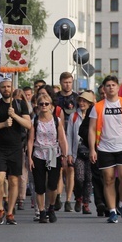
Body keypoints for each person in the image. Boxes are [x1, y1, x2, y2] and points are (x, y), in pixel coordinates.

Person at [88, 75, 122, 224]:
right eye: (108, 85)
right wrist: (92, 149)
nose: (111, 87)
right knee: (108, 179)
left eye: (113, 85)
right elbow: (92, 129)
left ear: (118, 87)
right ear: (104, 89)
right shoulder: (98, 107)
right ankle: (112, 211)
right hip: (105, 147)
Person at [0, 78, 32, 225]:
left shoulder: (20, 104)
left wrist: (15, 115)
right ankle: (0, 208)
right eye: (3, 87)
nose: (6, 89)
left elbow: (28, 124)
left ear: (12, 88)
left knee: (14, 180)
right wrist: (3, 124)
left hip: (15, 147)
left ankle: (10, 212)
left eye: (8, 86)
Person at [28, 93, 68, 223]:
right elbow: (30, 140)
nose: (44, 106)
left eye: (46, 104)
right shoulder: (35, 120)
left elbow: (62, 139)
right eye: (41, 104)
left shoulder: (57, 120)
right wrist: (29, 157)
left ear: (51, 105)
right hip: (39, 154)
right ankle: (42, 211)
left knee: (52, 185)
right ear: (38, 106)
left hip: (53, 154)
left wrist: (64, 155)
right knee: (39, 186)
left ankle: (51, 207)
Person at [54, 71, 78, 212]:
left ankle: (68, 200)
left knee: (70, 169)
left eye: (69, 82)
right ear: (61, 82)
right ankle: (58, 196)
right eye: (65, 82)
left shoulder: (77, 98)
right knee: (59, 168)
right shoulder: (55, 99)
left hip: (73, 137)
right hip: (57, 135)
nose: (67, 85)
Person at [67, 90, 95, 214]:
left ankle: (86, 203)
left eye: (85, 101)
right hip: (77, 152)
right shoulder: (73, 116)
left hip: (91, 151)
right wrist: (68, 153)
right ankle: (78, 197)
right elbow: (69, 136)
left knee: (89, 178)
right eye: (80, 101)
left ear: (89, 103)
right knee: (79, 178)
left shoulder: (93, 116)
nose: (82, 103)